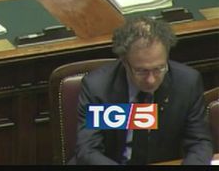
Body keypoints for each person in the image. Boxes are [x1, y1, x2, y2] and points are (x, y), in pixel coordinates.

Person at [74, 16, 213, 165]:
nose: (151, 80)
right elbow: (88, 150)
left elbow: (199, 143)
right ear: (124, 62)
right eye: (141, 71)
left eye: (159, 69)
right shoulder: (99, 88)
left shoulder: (186, 83)